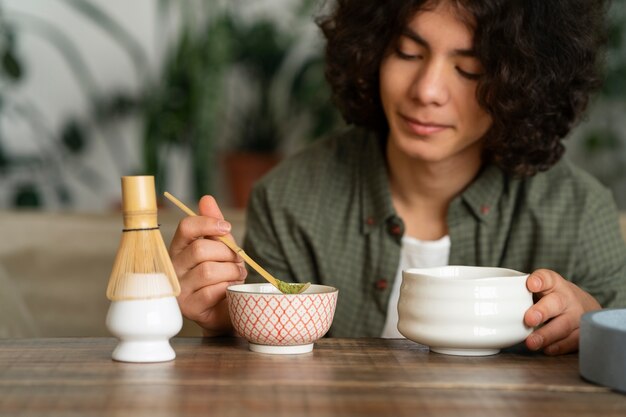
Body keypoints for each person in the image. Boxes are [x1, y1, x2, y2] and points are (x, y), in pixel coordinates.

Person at [168, 0, 626, 355]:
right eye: (407, 52)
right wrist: (224, 322)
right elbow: (263, 381)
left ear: (522, 84)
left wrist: (595, 328)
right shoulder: (291, 200)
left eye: (469, 70)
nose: (426, 91)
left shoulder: (579, 214)